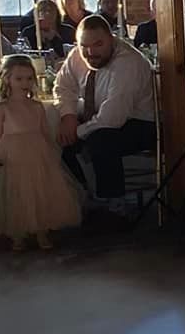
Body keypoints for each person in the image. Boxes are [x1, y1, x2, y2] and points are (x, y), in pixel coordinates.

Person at [0, 53, 81, 250]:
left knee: (40, 191)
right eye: (19, 79)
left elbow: (44, 130)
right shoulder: (2, 107)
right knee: (16, 192)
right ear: (8, 79)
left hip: (36, 150)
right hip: (12, 153)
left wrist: (51, 150)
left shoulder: (37, 106)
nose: (25, 83)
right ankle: (18, 233)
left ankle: (42, 231)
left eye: (29, 78)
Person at [55, 14, 158, 201]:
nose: (90, 52)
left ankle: (113, 205)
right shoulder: (78, 55)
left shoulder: (127, 64)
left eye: (98, 45)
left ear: (111, 39)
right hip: (100, 115)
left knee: (101, 141)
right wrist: (68, 117)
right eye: (84, 46)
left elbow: (112, 119)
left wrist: (76, 132)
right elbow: (63, 86)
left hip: (140, 122)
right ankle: (82, 195)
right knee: (58, 138)